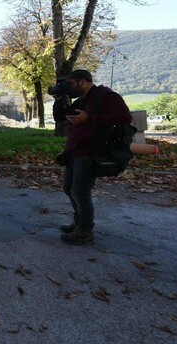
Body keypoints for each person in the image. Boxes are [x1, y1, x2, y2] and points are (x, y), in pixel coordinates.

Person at [52, 70, 132, 245]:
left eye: (70, 84)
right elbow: (60, 117)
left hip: (91, 151)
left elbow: (125, 117)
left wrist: (90, 119)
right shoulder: (82, 101)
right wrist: (59, 100)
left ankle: (85, 231)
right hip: (75, 151)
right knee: (68, 188)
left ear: (83, 82)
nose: (68, 88)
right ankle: (79, 222)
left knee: (80, 191)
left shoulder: (106, 96)